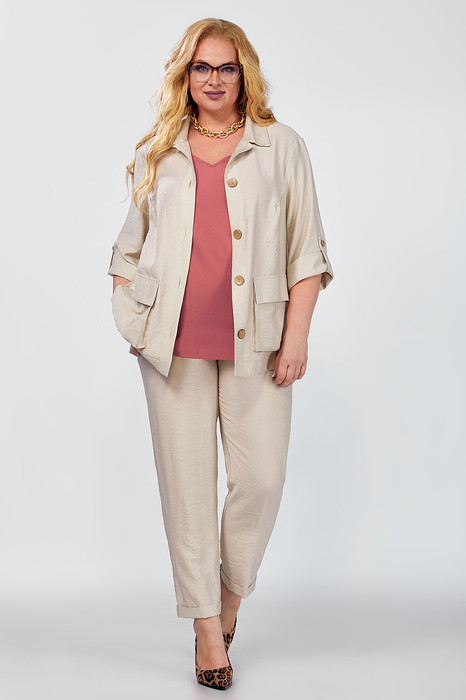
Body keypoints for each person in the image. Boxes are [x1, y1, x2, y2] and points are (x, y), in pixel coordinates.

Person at [107, 17, 334, 691]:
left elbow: (307, 252)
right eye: (201, 67)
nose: (213, 79)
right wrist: (133, 319)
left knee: (261, 479)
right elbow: (126, 251)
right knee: (187, 493)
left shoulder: (281, 146)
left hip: (257, 343)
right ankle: (208, 629)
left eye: (226, 67)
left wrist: (296, 336)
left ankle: (231, 598)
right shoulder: (158, 151)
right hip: (171, 349)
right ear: (185, 76)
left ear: (244, 74)